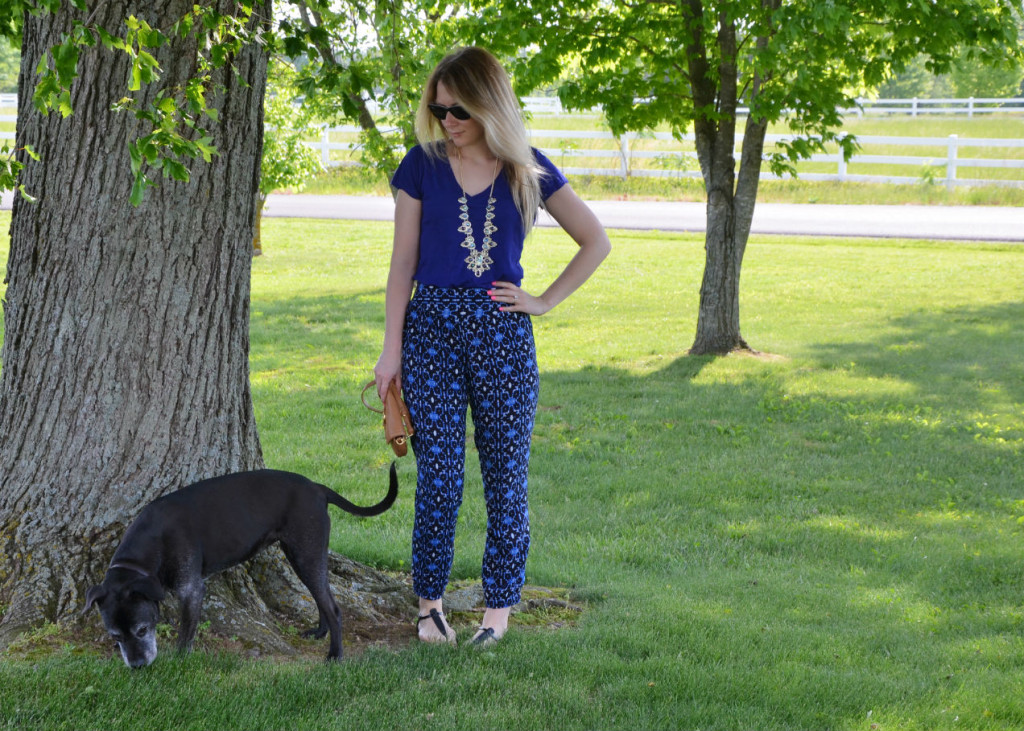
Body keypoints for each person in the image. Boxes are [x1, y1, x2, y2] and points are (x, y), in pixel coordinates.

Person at [373, 46, 610, 648]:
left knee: (506, 477)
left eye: (459, 110)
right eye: (438, 107)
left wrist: (543, 300)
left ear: (488, 106)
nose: (446, 120)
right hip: (429, 332)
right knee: (441, 477)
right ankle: (429, 606)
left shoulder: (525, 167)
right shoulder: (420, 165)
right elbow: (402, 266)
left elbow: (595, 240)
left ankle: (498, 611)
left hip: (503, 335)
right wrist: (390, 350)